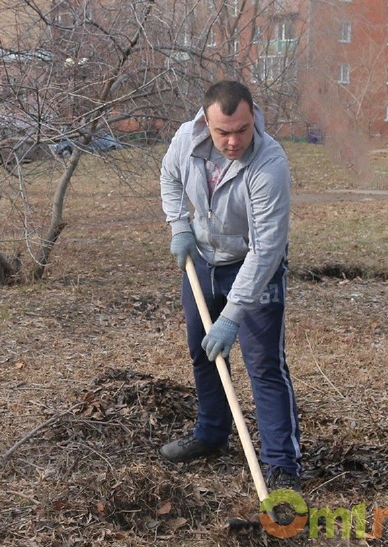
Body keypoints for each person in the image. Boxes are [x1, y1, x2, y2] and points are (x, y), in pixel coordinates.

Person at [159, 80, 301, 492]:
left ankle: (282, 463)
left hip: (255, 266)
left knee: (264, 366)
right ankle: (210, 434)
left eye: (241, 129)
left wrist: (233, 315)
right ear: (207, 123)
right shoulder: (187, 139)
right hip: (202, 260)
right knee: (203, 352)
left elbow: (266, 250)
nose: (234, 140)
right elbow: (169, 178)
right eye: (223, 132)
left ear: (253, 116)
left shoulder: (269, 164)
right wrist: (179, 224)